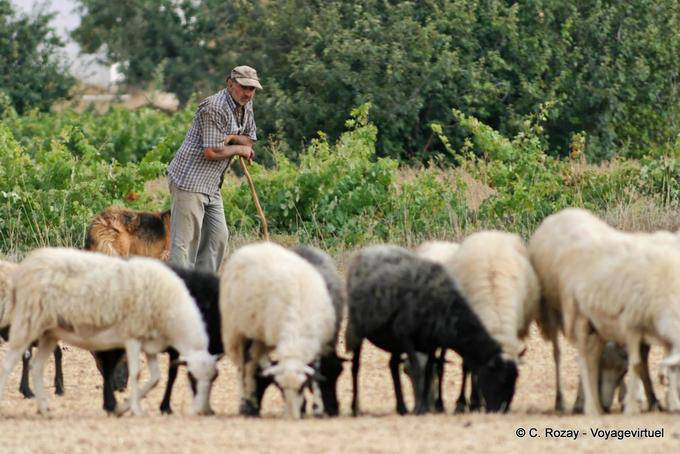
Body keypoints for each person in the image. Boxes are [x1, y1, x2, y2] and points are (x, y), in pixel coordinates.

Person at [167, 65, 261, 271]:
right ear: (230, 84)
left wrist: (231, 137)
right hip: (189, 180)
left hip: (211, 184)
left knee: (218, 238)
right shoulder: (214, 107)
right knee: (184, 245)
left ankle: (202, 289)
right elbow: (211, 151)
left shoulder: (245, 104)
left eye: (252, 89)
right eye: (244, 87)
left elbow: (250, 139)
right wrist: (237, 147)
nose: (248, 93)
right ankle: (178, 291)